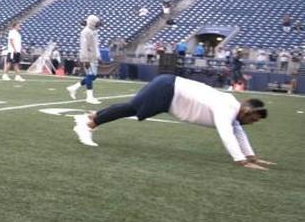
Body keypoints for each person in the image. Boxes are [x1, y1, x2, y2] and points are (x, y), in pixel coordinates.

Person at [71, 75, 273, 170]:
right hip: (168, 91)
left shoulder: (233, 109)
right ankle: (87, 125)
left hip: (170, 89)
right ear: (246, 111)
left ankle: (91, 118)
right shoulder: (226, 109)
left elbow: (238, 132)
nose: (251, 123)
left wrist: (251, 156)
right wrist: (241, 160)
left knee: (131, 107)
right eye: (252, 119)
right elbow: (227, 134)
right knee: (132, 109)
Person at [67, 15, 102, 104]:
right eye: (96, 23)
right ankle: (89, 97)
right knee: (90, 75)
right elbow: (84, 46)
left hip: (93, 56)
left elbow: (95, 45)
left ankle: (74, 87)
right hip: (88, 56)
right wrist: (85, 59)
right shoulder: (85, 32)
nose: (98, 25)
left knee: (93, 76)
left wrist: (98, 55)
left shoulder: (94, 31)